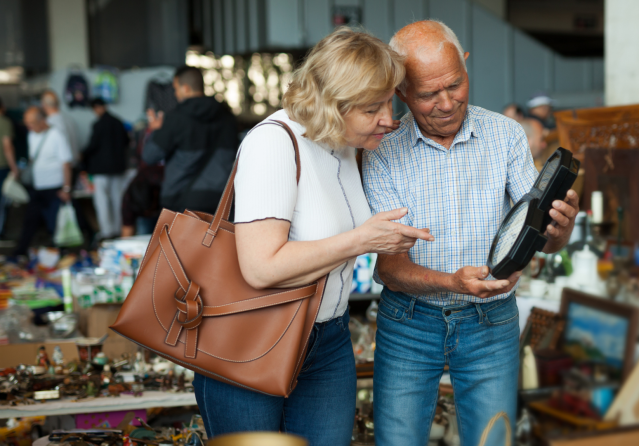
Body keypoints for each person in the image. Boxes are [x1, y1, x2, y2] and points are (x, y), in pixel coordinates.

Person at [191, 28, 433, 445]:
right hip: (254, 339)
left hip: (327, 339)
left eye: (389, 101)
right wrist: (362, 240)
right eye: (372, 107)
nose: (388, 119)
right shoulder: (274, 143)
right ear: (331, 104)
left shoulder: (344, 143)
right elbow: (261, 267)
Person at [362, 20, 579, 446]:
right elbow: (389, 268)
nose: (446, 102)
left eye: (455, 85)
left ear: (465, 65)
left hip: (492, 320)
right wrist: (452, 283)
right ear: (401, 91)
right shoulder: (382, 149)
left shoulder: (505, 135)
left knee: (492, 439)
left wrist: (560, 230)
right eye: (427, 94)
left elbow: (540, 233)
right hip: (409, 322)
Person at [142, 66, 237, 214]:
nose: (175, 93)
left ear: (185, 88)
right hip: (221, 200)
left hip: (181, 201)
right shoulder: (228, 117)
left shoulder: (175, 118)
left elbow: (150, 155)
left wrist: (155, 130)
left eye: (175, 89)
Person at [14, 107, 73, 257]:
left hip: (55, 187)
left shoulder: (57, 135)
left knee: (55, 224)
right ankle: (19, 253)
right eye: (26, 123)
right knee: (30, 221)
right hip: (37, 187)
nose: (29, 127)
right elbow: (33, 158)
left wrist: (66, 189)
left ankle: (60, 255)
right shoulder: (32, 135)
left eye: (32, 123)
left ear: (43, 121)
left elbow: (66, 163)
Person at [83, 98, 129, 239]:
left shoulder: (98, 124)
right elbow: (126, 142)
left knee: (102, 201)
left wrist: (82, 156)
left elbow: (92, 146)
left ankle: (106, 231)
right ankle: (118, 229)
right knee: (117, 200)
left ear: (96, 108)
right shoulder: (118, 122)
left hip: (100, 169)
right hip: (118, 168)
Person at [41, 90, 80, 162]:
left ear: (44, 105)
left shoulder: (48, 123)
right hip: (75, 163)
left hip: (62, 168)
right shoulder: (69, 119)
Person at [0, 98, 19, 235]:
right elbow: (7, 147)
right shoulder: (4, 122)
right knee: (2, 202)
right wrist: (14, 168)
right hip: (2, 167)